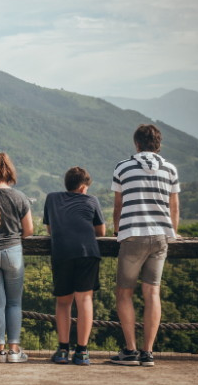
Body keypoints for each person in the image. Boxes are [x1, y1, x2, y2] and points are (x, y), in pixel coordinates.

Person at [110, 124, 180, 367]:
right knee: (152, 293)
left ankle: (130, 350)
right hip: (161, 236)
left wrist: (117, 230)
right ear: (158, 144)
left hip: (132, 235)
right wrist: (174, 233)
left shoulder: (122, 167)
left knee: (124, 293)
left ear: (136, 143)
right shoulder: (170, 169)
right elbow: (174, 207)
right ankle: (148, 352)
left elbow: (118, 206)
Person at [43, 166, 105, 366]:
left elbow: (50, 228)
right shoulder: (91, 201)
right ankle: (82, 351)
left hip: (62, 252)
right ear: (82, 187)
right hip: (87, 252)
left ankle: (62, 350)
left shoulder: (52, 198)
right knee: (84, 300)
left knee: (63, 302)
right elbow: (101, 231)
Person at [0, 152, 33, 363]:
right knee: (14, 303)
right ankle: (14, 351)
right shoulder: (19, 197)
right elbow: (29, 229)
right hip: (13, 251)